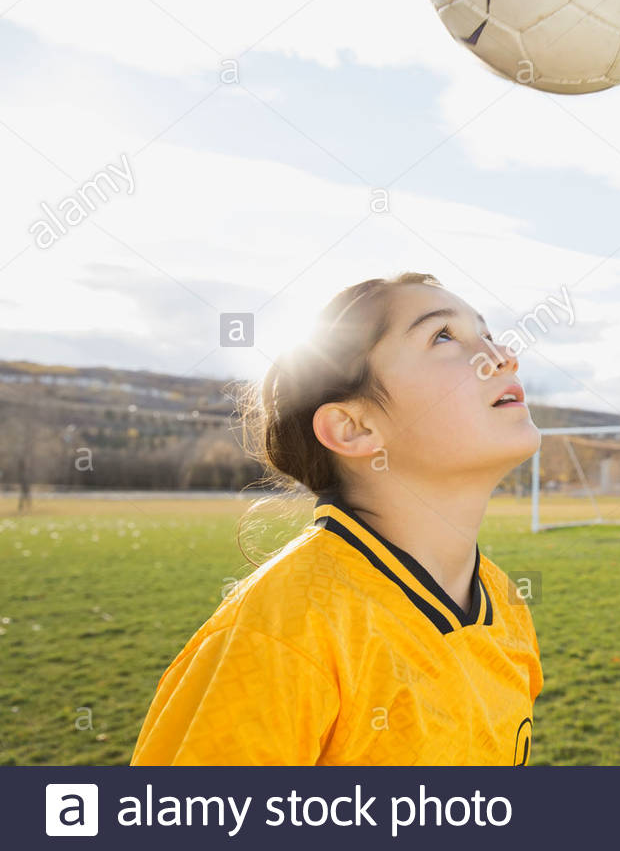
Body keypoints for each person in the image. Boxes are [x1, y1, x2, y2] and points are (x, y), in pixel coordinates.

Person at [131, 272, 543, 764]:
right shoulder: (280, 634)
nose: (502, 355)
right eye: (443, 336)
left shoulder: (505, 603)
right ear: (353, 428)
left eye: (489, 335)